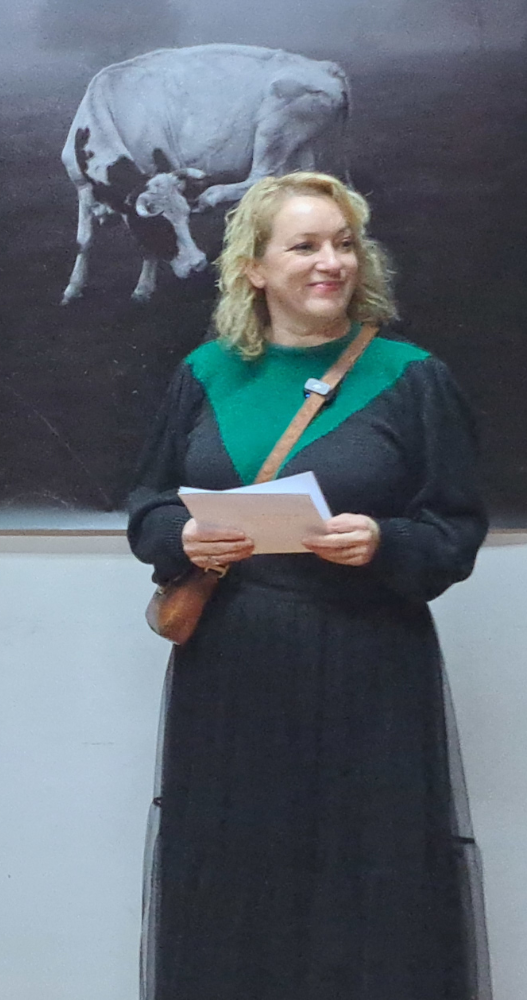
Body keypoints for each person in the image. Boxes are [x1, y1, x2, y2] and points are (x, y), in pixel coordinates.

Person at [128, 172, 489, 1000]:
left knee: (370, 882)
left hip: (371, 669)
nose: (332, 262)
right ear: (254, 268)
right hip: (232, 669)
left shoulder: (412, 376)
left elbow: (455, 530)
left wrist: (385, 541)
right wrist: (182, 537)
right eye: (306, 246)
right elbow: (146, 504)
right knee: (235, 879)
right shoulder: (205, 373)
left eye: (344, 244)